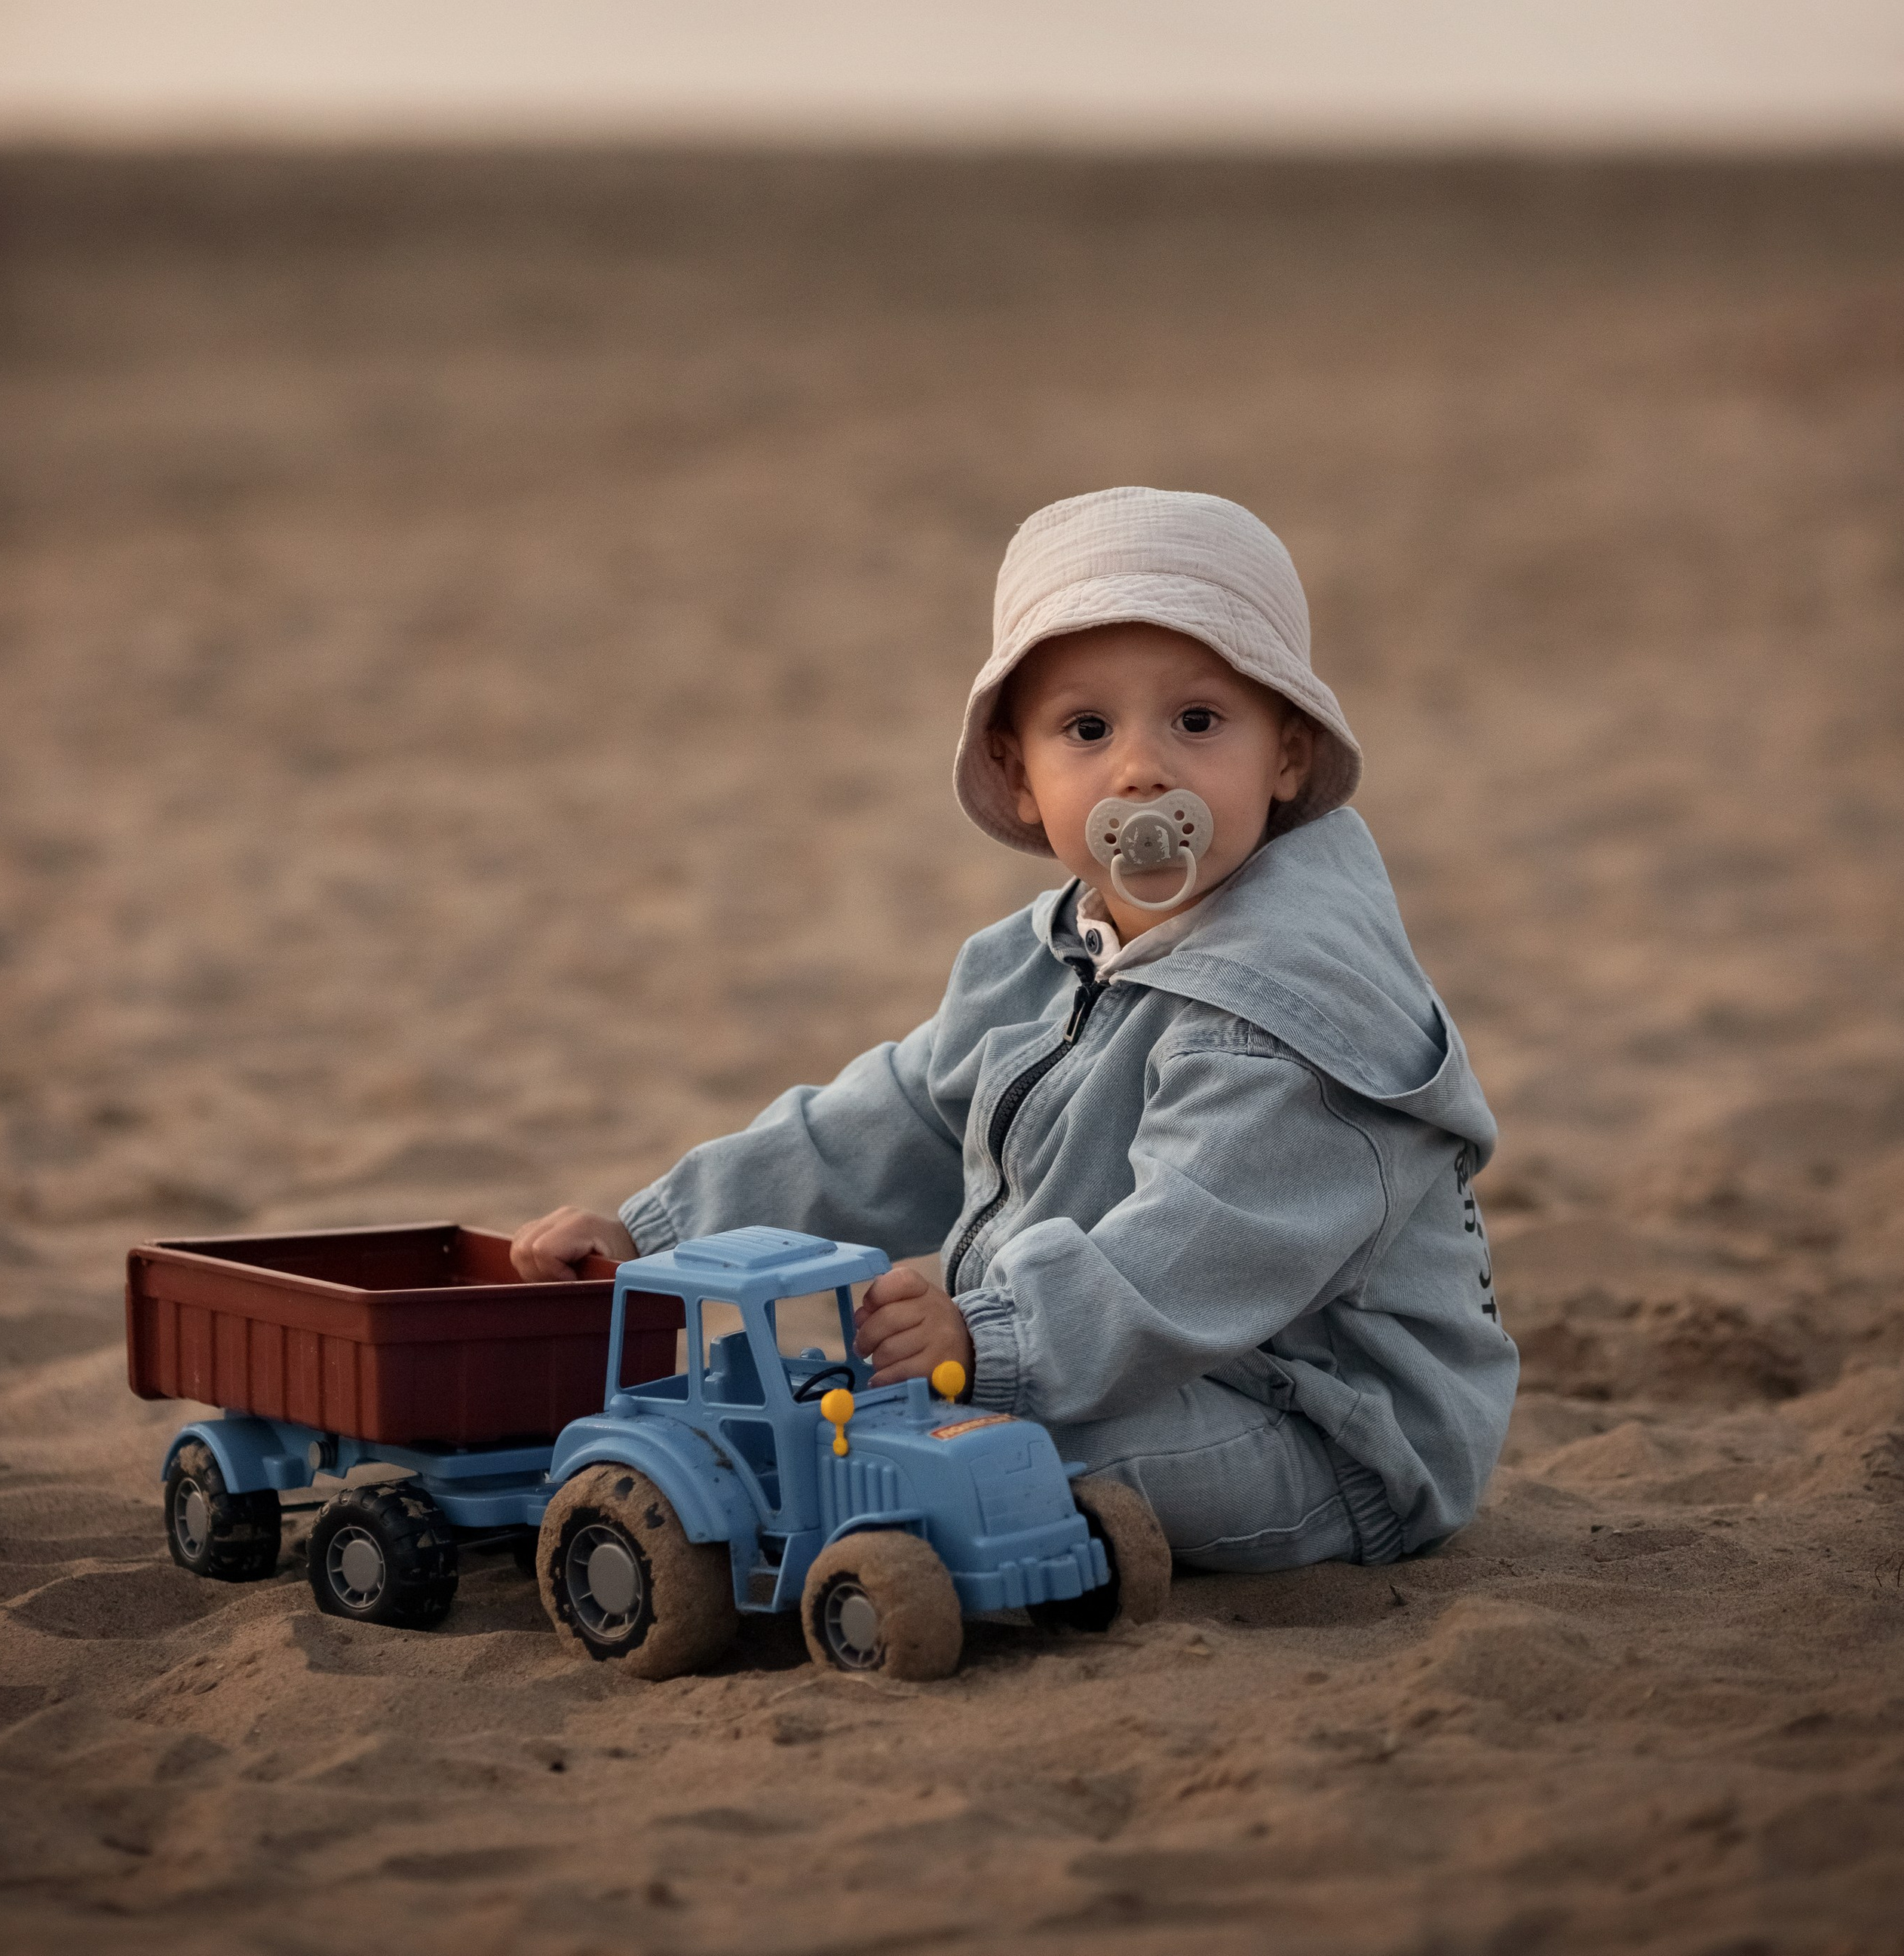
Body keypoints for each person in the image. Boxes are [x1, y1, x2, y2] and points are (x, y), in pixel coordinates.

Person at [510, 486, 1516, 1572]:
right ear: (1018, 775)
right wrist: (659, 1236)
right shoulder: (1043, 957)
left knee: (986, 1444)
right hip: (1139, 1370)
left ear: (1286, 755)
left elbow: (1190, 1251)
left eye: (1199, 720)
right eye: (1088, 729)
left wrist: (990, 1341)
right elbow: (887, 1123)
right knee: (871, 1418)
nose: (1142, 769)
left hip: (1333, 1434)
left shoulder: (1290, 1010)